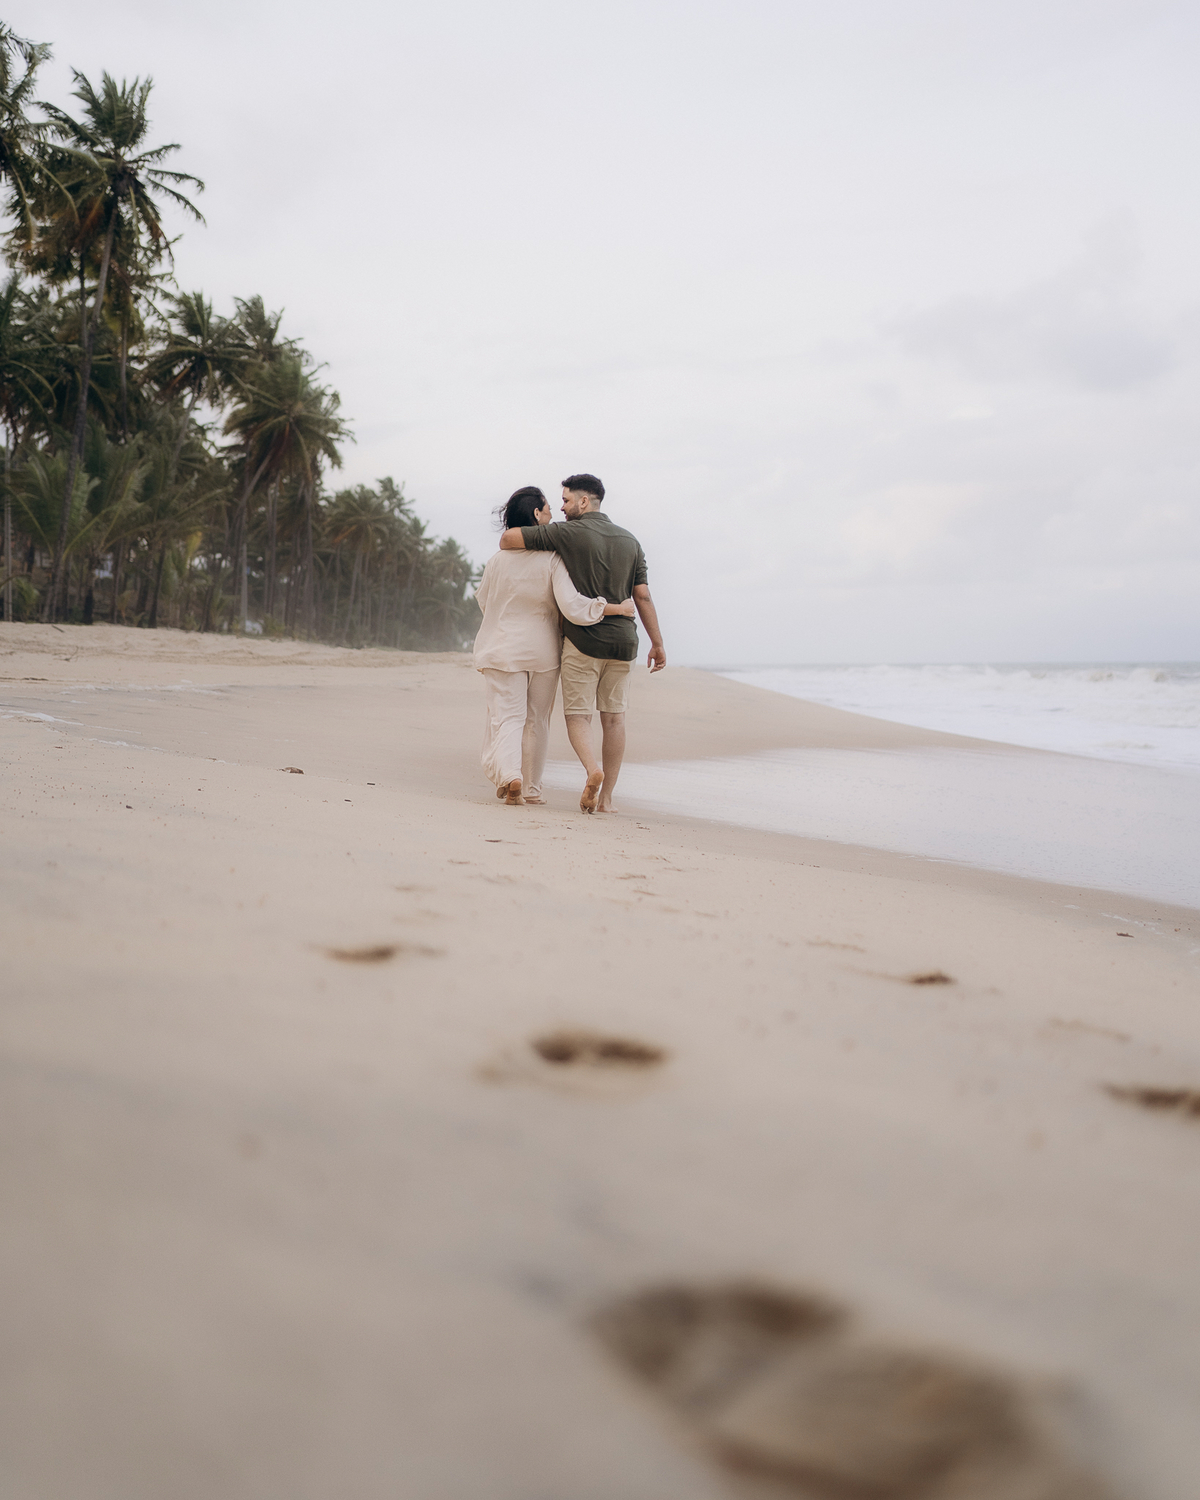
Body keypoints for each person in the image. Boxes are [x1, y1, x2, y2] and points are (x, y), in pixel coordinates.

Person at [499, 472, 665, 813]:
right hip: (624, 644)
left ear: (584, 501)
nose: (561, 507)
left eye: (565, 500)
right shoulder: (631, 541)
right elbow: (643, 597)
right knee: (615, 719)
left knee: (578, 717)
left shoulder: (567, 532)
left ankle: (593, 770)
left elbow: (510, 539)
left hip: (584, 643)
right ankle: (606, 800)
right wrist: (658, 644)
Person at [473, 486, 635, 806]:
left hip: (502, 647)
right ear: (536, 514)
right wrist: (613, 608)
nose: (553, 513)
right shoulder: (551, 560)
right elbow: (572, 606)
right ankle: (532, 789)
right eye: (548, 508)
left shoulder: (496, 561)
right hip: (543, 651)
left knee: (507, 716)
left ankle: (511, 776)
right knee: (537, 720)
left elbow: (483, 601)